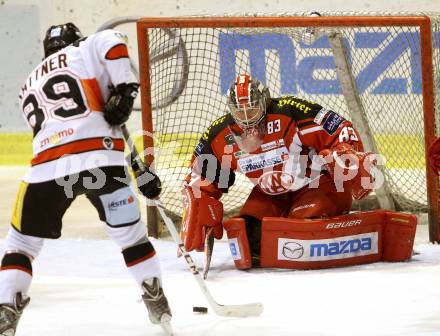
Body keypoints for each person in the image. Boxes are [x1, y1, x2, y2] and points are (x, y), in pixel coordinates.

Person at [0, 23, 171, 335]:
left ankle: (7, 312)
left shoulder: (28, 83)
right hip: (101, 166)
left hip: (46, 171)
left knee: (20, 244)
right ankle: (156, 300)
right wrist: (124, 88)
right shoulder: (86, 47)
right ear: (74, 40)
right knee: (131, 237)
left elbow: (69, 123)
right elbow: (112, 40)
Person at [180, 73, 376, 267]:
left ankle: (334, 219)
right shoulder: (221, 135)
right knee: (247, 237)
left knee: (300, 228)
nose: (247, 117)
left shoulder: (290, 111)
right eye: (240, 112)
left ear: (264, 101)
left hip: (316, 185)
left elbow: (340, 129)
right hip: (272, 195)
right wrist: (199, 202)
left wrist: (347, 155)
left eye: (253, 108)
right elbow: (202, 177)